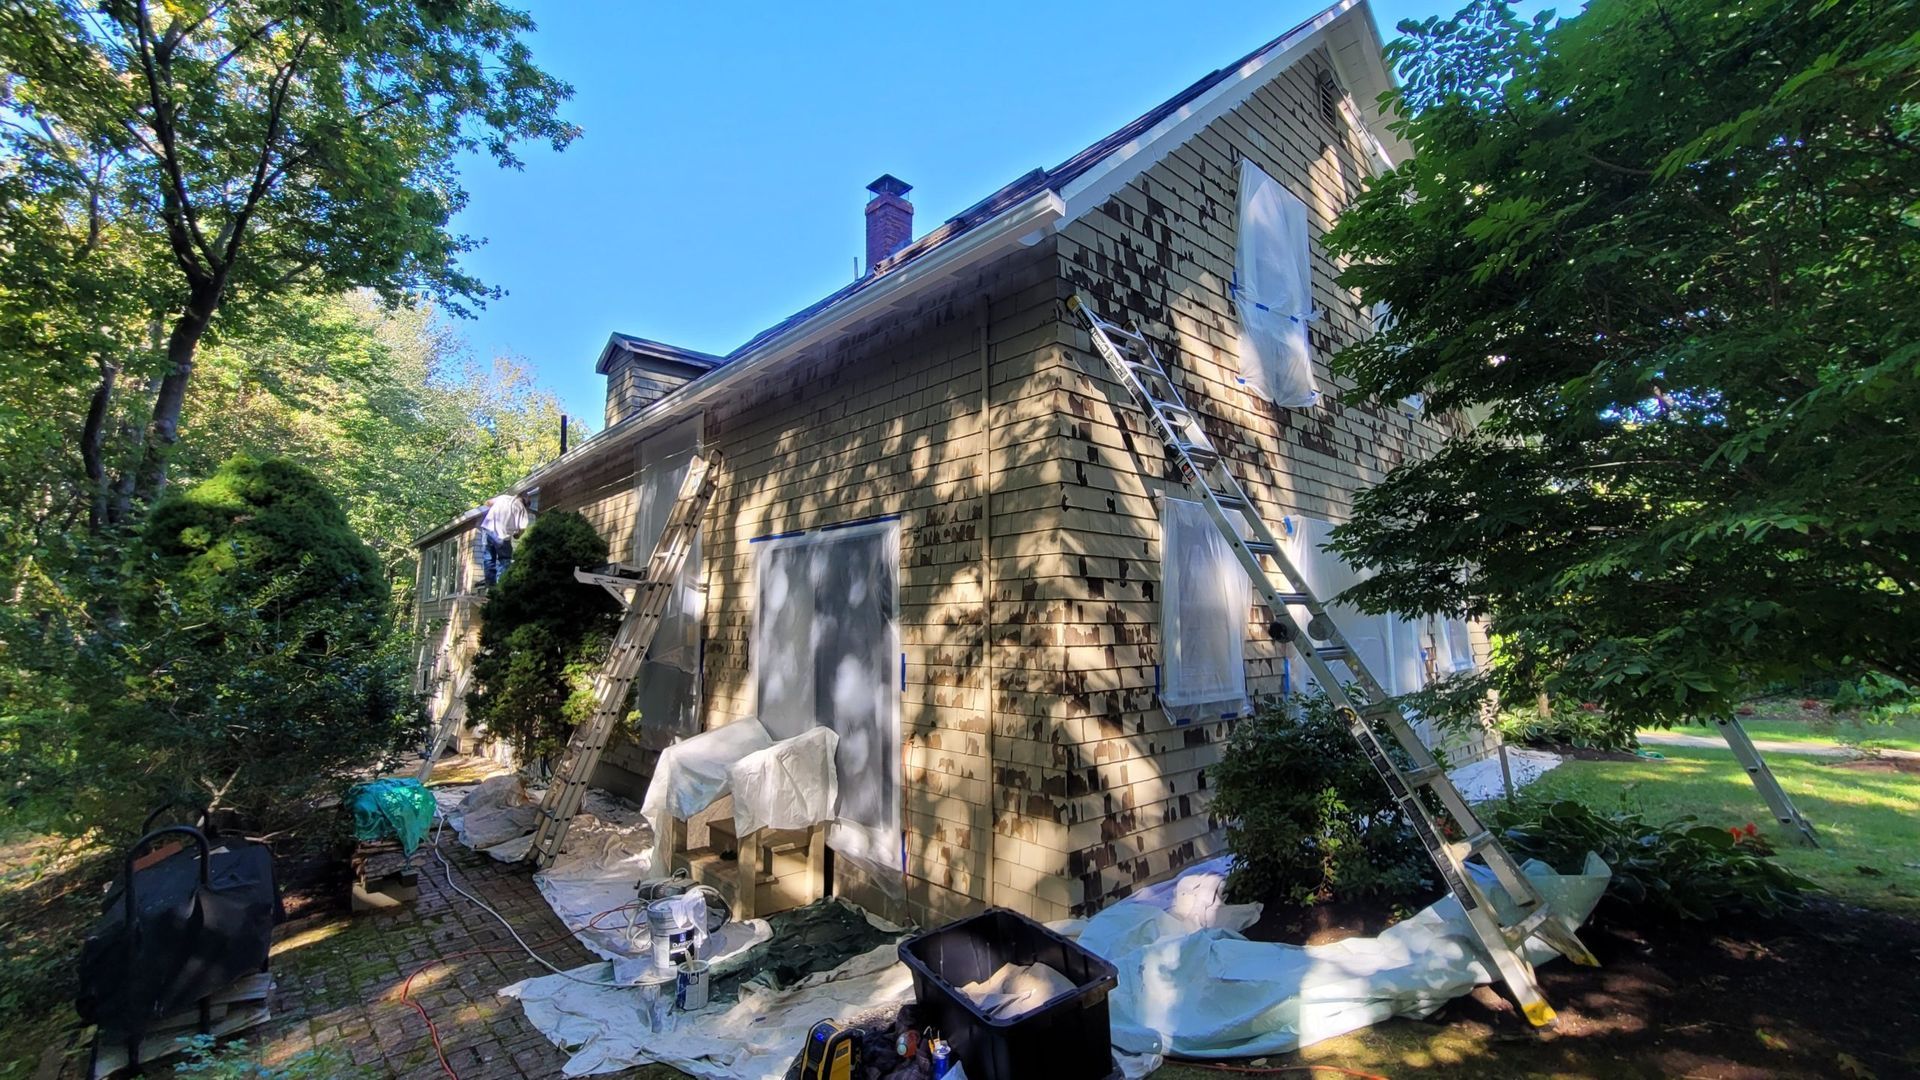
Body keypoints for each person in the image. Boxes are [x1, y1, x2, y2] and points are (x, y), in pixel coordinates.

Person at [479, 493, 530, 586]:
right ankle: (501, 585)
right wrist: (517, 535)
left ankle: (490, 586)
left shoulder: (503, 497)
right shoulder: (521, 508)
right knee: (505, 560)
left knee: (488, 559)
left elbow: (488, 502)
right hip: (502, 536)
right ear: (525, 503)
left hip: (487, 530)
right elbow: (522, 528)